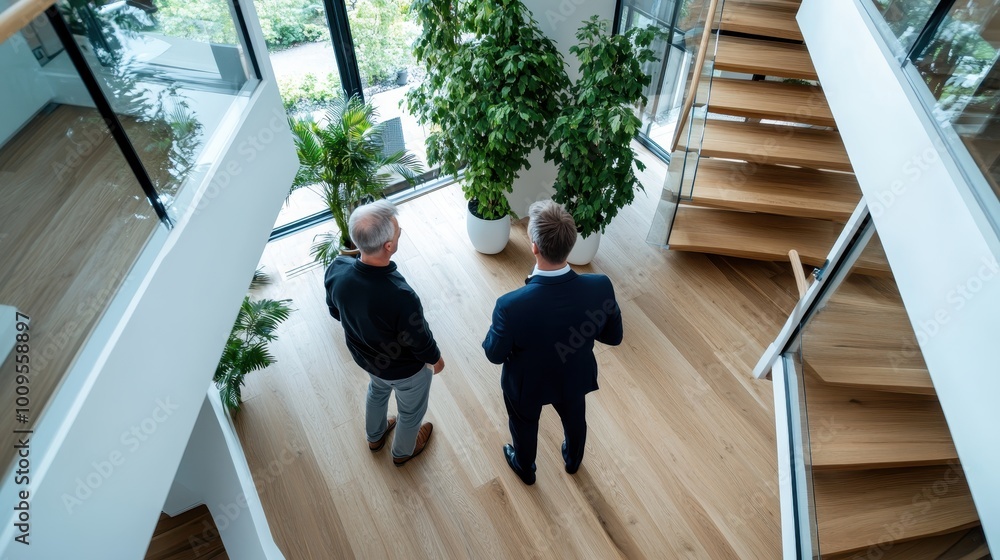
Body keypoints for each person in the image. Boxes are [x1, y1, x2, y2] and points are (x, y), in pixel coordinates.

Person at [483, 200, 623, 485]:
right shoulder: (600, 287)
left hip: (526, 385)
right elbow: (614, 336)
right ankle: (573, 459)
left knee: (523, 426)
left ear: (534, 246)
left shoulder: (510, 306)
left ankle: (524, 466)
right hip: (574, 375)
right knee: (575, 418)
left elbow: (494, 354)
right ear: (571, 244)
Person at [324, 200, 444, 466]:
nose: (399, 233)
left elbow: (335, 311)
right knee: (411, 412)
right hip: (406, 371)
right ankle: (403, 451)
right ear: (388, 246)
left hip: (368, 361)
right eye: (398, 231)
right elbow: (419, 339)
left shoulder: (337, 270)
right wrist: (436, 358)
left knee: (377, 391)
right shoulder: (401, 295)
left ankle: (375, 436)